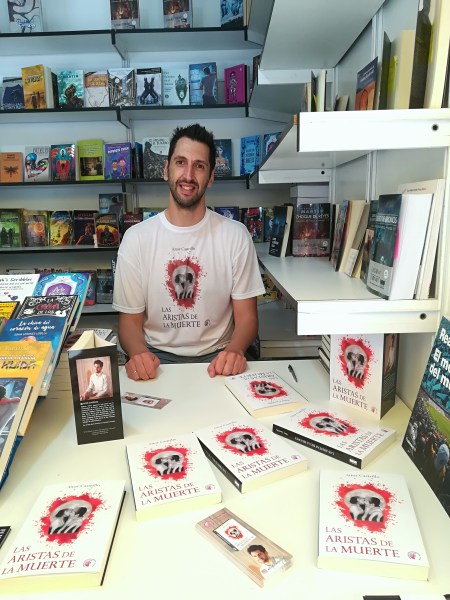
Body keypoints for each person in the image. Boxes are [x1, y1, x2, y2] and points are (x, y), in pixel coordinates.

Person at [112, 123, 265, 380]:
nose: (188, 175)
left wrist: (235, 350)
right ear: (166, 170)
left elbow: (247, 318)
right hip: (156, 357)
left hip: (218, 357)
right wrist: (139, 354)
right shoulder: (136, 239)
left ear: (211, 177)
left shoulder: (235, 235)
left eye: (200, 166)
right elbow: (128, 323)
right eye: (181, 162)